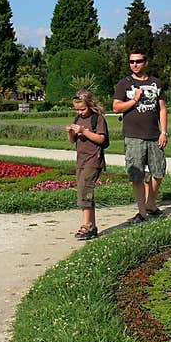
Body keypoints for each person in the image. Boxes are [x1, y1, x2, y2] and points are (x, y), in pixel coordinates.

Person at [113, 50, 169, 223]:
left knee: (158, 172)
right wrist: (134, 100)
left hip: (154, 135)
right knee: (136, 175)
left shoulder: (155, 83)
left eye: (138, 61)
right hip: (134, 136)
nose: (134, 64)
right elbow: (116, 107)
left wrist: (164, 132)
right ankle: (142, 211)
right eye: (131, 62)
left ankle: (150, 203)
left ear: (146, 62)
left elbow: (162, 109)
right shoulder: (124, 83)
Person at [66, 90, 109, 241]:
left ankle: (87, 225)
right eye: (77, 109)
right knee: (84, 190)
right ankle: (92, 225)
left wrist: (84, 131)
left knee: (85, 189)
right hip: (81, 160)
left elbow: (101, 139)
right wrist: (71, 132)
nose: (80, 112)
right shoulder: (78, 118)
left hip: (93, 160)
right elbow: (73, 141)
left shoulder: (98, 119)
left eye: (82, 109)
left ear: (90, 105)